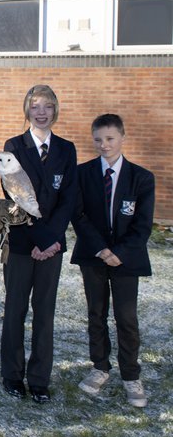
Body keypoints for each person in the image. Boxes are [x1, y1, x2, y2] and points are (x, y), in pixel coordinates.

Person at [0, 85, 77, 404]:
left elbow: (69, 198)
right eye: (35, 106)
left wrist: (50, 240)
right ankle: (13, 376)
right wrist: (37, 238)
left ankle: (40, 379)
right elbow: (13, 195)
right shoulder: (13, 146)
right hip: (20, 243)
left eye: (47, 106)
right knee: (15, 310)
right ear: (26, 110)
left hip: (52, 247)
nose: (41, 112)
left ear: (55, 110)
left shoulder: (67, 149)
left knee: (45, 312)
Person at [71, 114, 154, 408]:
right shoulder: (82, 174)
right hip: (93, 256)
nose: (104, 145)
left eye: (109, 139)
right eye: (98, 140)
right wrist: (101, 250)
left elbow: (143, 225)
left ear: (122, 137)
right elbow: (78, 215)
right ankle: (100, 367)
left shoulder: (141, 178)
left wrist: (119, 252)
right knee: (96, 313)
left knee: (126, 317)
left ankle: (131, 374)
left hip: (127, 259)